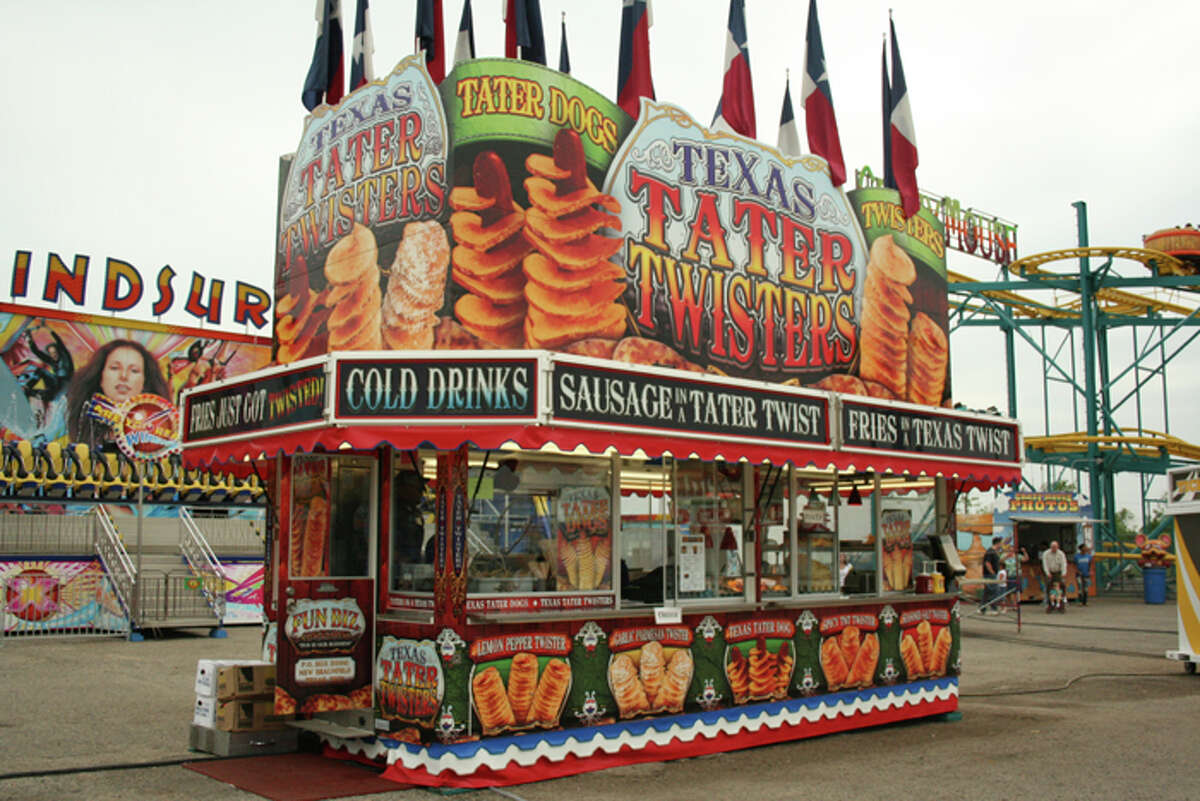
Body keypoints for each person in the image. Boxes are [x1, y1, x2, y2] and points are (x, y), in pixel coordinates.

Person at [65, 339, 170, 451]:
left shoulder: (158, 432)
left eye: (134, 370)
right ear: (100, 377)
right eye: (115, 368)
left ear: (145, 382)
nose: (124, 376)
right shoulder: (83, 419)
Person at [1041, 540, 1068, 609]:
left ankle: (1062, 601)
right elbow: (1045, 564)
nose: (1054, 548)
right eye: (1052, 547)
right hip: (1050, 571)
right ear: (1050, 547)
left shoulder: (1061, 554)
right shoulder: (1046, 553)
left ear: (1058, 547)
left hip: (1058, 572)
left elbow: (1064, 564)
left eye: (1055, 547)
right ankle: (1050, 603)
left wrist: (1063, 573)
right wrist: (1047, 573)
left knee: (1062, 585)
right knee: (1048, 586)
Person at [982, 536, 1002, 613]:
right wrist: (992, 572)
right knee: (995, 590)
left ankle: (982, 607)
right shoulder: (990, 552)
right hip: (989, 574)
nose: (1001, 545)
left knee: (987, 591)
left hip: (992, 573)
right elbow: (987, 563)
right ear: (997, 543)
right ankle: (994, 608)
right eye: (1000, 543)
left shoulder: (994, 552)